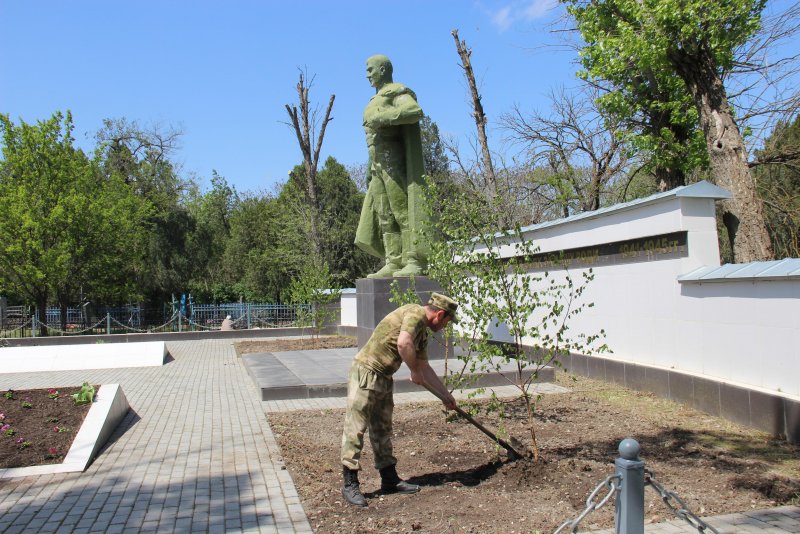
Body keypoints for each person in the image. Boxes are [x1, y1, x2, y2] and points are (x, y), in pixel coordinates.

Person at [340, 293, 458, 507]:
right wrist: (413, 370)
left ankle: (389, 479)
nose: (445, 327)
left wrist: (445, 396)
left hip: (384, 377)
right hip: (366, 371)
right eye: (447, 322)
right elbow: (404, 344)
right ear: (440, 314)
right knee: (355, 427)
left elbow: (424, 368)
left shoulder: (422, 332)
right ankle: (350, 483)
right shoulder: (414, 313)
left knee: (383, 429)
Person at [355, 54, 430, 278]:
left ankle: (414, 260)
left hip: (393, 158)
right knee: (384, 214)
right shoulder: (374, 98)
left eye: (371, 69)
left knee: (402, 211)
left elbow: (414, 111)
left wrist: (384, 117)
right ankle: (394, 261)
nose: (367, 74)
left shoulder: (396, 91)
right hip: (377, 163)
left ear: (383, 69)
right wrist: (370, 166)